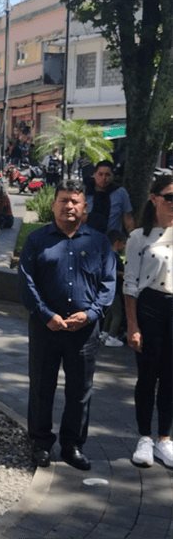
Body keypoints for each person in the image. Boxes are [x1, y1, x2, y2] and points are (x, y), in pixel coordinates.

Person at [19, 180, 116, 471]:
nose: (69, 206)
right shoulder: (37, 241)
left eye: (75, 201)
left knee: (80, 390)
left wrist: (91, 314)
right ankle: (40, 444)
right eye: (63, 200)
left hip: (84, 331)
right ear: (53, 205)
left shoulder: (99, 243)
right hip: (46, 328)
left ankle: (72, 445)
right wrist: (47, 314)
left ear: (84, 207)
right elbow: (26, 281)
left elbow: (109, 284)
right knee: (41, 387)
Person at [123, 173, 173, 469]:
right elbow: (130, 284)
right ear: (155, 199)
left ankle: (164, 439)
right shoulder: (139, 238)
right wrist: (132, 325)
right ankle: (144, 436)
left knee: (171, 377)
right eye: (169, 197)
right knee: (148, 375)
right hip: (150, 307)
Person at [85, 160, 134, 235]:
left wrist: (132, 237)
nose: (104, 178)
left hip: (112, 240)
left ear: (112, 176)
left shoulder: (120, 192)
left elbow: (128, 219)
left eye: (107, 175)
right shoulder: (85, 192)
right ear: (94, 175)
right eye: (100, 174)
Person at [99, 230, 127, 347]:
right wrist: (123, 274)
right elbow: (114, 272)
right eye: (123, 243)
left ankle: (104, 333)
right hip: (114, 289)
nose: (124, 246)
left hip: (111, 289)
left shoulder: (107, 254)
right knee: (118, 314)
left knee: (110, 313)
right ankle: (111, 336)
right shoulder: (113, 256)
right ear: (117, 242)